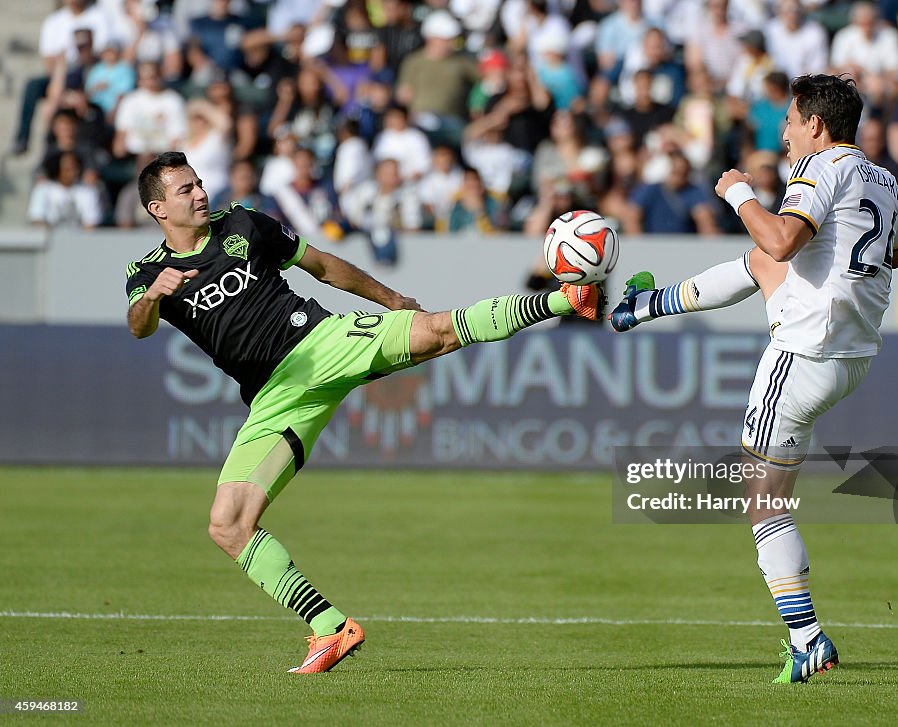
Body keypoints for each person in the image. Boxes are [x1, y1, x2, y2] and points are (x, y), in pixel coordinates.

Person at [124, 152, 600, 673]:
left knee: (437, 332)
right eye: (185, 190)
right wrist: (152, 296)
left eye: (198, 183)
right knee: (228, 524)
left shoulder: (244, 223)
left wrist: (391, 297)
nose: (199, 193)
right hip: (275, 397)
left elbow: (324, 266)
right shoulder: (147, 273)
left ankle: (566, 300)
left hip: (317, 342)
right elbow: (139, 327)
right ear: (157, 207)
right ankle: (331, 628)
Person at [610, 75, 898, 683]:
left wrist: (738, 191)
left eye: (793, 121)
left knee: (763, 502)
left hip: (802, 353)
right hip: (851, 355)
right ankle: (645, 306)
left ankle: (808, 640)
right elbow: (893, 253)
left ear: (817, 128)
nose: (786, 131)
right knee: (764, 265)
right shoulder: (887, 182)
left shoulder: (820, 169)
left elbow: (779, 233)